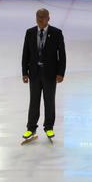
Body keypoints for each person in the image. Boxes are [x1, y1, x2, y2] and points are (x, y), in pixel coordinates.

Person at [22, 8, 66, 141]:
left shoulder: (57, 33)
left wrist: (61, 73)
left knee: (49, 101)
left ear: (48, 18)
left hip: (50, 74)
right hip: (34, 73)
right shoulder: (30, 33)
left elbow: (62, 55)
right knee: (34, 101)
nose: (40, 20)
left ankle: (49, 127)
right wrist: (25, 72)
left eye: (43, 17)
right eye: (38, 17)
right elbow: (26, 54)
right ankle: (31, 128)